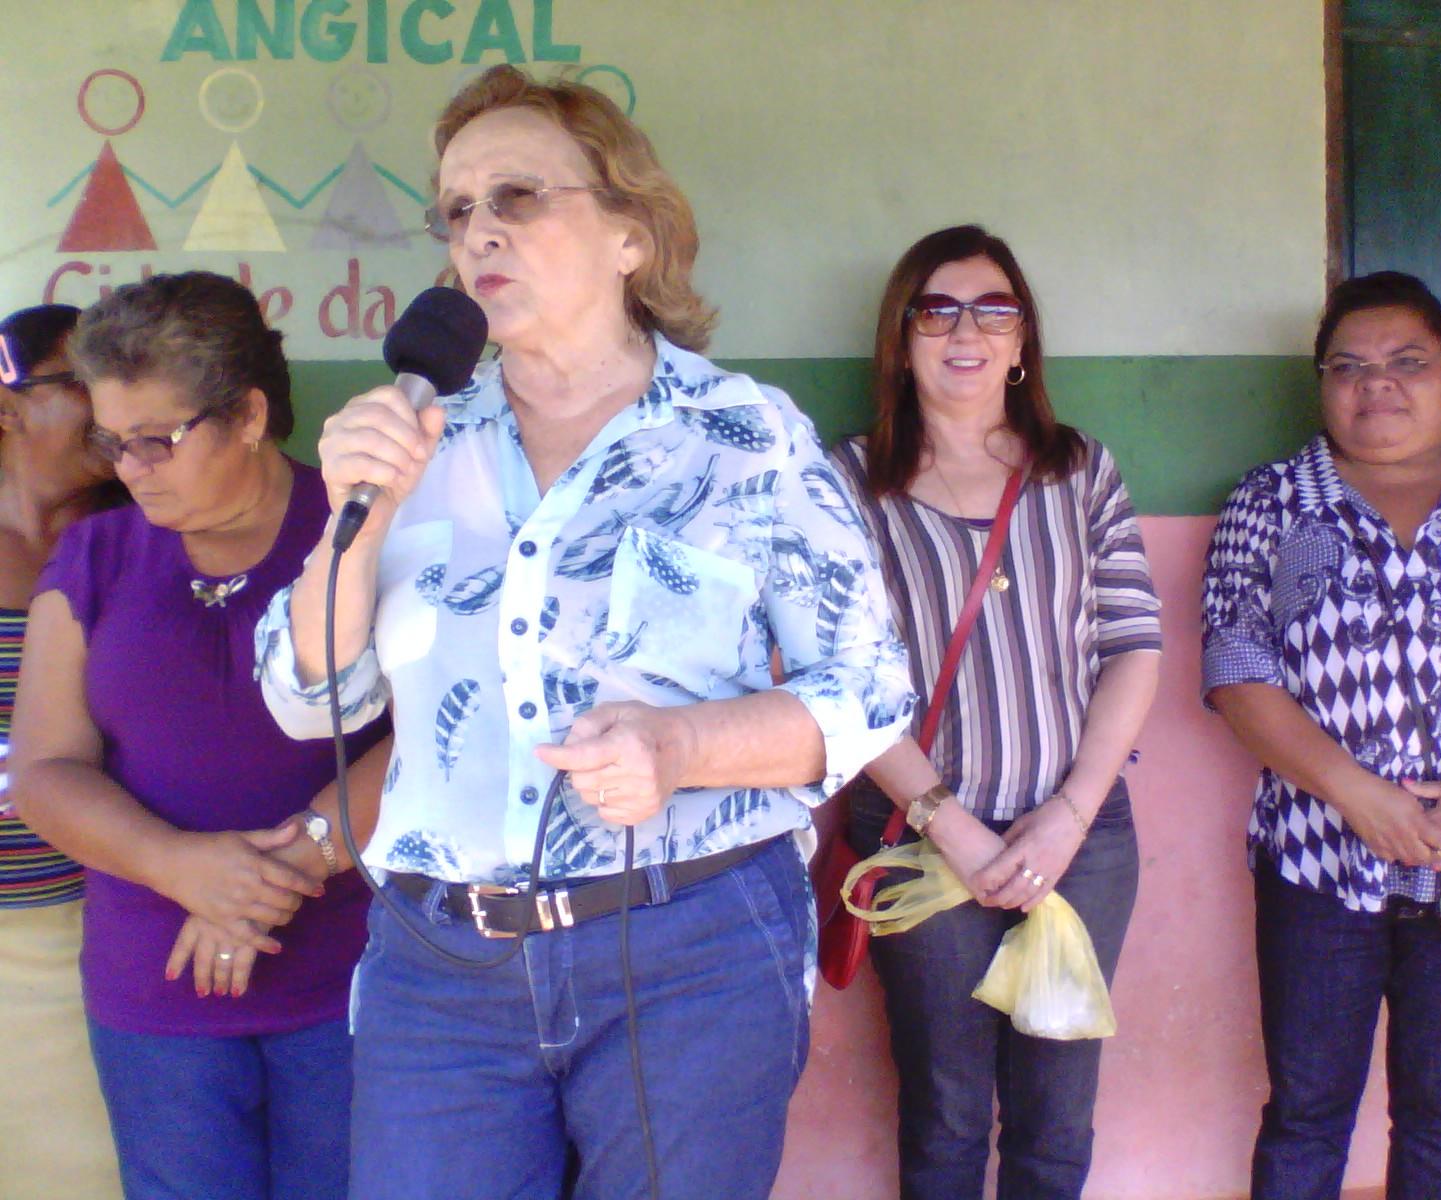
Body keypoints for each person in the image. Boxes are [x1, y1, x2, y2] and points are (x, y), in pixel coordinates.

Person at [255, 64, 912, 1200]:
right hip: (442, 963)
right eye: (458, 211)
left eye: (518, 196)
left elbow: (869, 691)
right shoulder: (417, 436)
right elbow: (306, 702)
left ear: (630, 236)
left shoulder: (739, 437)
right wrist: (352, 524)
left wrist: (681, 750)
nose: (479, 232)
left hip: (690, 948)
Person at [1201, 270, 1441, 1200]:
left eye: (1406, 362)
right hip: (1316, 857)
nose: (1377, 384)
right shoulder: (1269, 503)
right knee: (1305, 1111)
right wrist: (1357, 794)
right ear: (1321, 382)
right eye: (1349, 365)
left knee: (1439, 1111)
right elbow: (1238, 676)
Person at [8, 272, 390, 1200]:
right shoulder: (100, 553)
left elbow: (438, 737)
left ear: (249, 415)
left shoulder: (361, 531)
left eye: (156, 440)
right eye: (111, 439)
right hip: (153, 990)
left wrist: (282, 868)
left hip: (352, 981)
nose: (128, 467)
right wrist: (183, 869)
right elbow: (47, 771)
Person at [829, 224, 1162, 1200]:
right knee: (945, 1112)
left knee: (1056, 1121)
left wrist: (1068, 813)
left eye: (993, 309)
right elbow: (838, 681)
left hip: (1079, 846)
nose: (964, 331)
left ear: (1023, 344)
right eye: (936, 309)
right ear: (901, 338)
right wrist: (950, 825)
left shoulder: (1078, 470)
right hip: (919, 841)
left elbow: (1133, 648)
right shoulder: (848, 484)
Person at [0, 303, 123, 1199]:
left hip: (106, 927)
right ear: (8, 405)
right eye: (83, 378)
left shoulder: (142, 542)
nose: (112, 407)